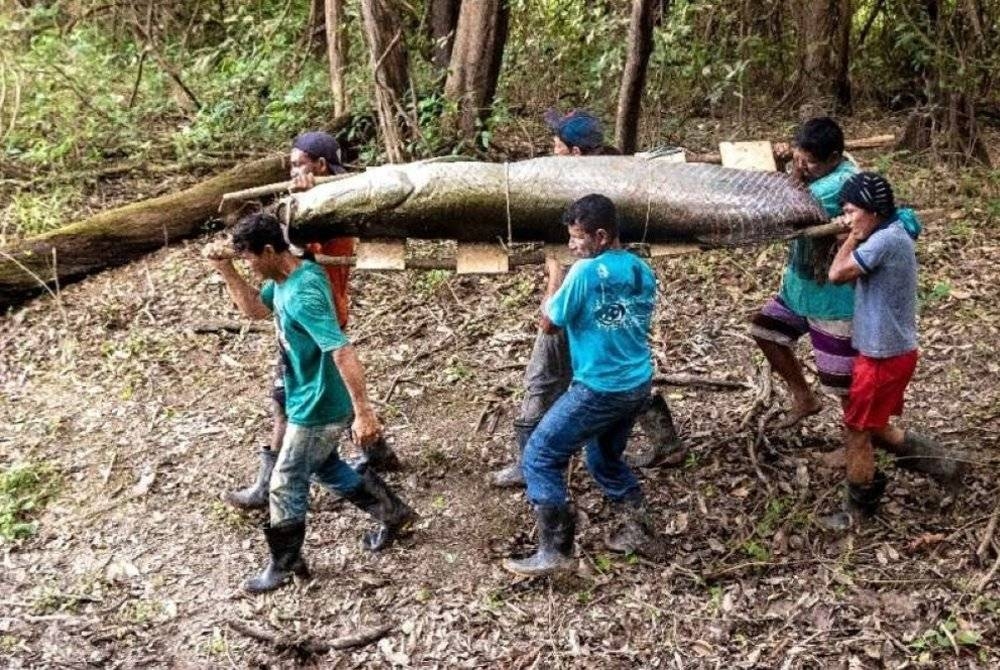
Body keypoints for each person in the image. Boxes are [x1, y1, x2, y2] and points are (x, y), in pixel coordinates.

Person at [205, 212, 417, 593]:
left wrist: (364, 412)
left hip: (319, 404)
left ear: (269, 250)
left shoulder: (303, 293)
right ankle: (393, 512)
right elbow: (255, 309)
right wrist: (226, 270)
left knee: (285, 483)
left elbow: (341, 349)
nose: (249, 267)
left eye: (250, 259)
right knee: (323, 466)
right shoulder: (284, 279)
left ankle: (285, 565)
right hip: (306, 394)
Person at [489, 109, 682, 489]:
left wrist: (556, 281)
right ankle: (665, 441)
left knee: (545, 374)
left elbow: (552, 316)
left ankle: (529, 461)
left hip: (576, 292)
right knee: (619, 359)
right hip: (611, 290)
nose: (550, 151)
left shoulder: (586, 197)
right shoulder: (610, 175)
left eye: (556, 146)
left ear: (576, 153)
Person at [225, 131, 397, 511]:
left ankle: (271, 483)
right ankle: (379, 456)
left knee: (292, 400)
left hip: (315, 315)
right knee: (307, 398)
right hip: (303, 314)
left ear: (319, 166)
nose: (291, 171)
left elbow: (297, 246)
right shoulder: (317, 206)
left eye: (297, 164)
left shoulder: (329, 209)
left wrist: (307, 196)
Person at [504, 194, 664, 577]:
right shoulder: (641, 269)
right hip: (637, 383)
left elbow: (549, 324)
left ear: (602, 236)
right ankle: (640, 531)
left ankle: (555, 551)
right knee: (603, 460)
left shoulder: (584, 273)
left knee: (540, 454)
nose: (572, 245)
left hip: (600, 388)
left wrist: (555, 277)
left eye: (577, 238)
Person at [823, 172, 964, 527]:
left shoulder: (883, 241)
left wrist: (850, 239)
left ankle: (859, 509)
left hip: (884, 356)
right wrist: (854, 234)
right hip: (887, 351)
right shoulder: (888, 233)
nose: (847, 216)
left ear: (872, 211)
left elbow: (837, 274)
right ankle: (945, 462)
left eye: (852, 209)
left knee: (856, 430)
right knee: (876, 425)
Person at [750, 117, 859, 428]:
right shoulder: (822, 174)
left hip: (833, 301)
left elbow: (780, 204)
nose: (802, 166)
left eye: (809, 162)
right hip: (800, 290)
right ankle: (804, 397)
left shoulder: (838, 183)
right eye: (799, 158)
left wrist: (794, 172)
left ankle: (859, 451)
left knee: (842, 383)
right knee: (765, 331)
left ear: (834, 158)